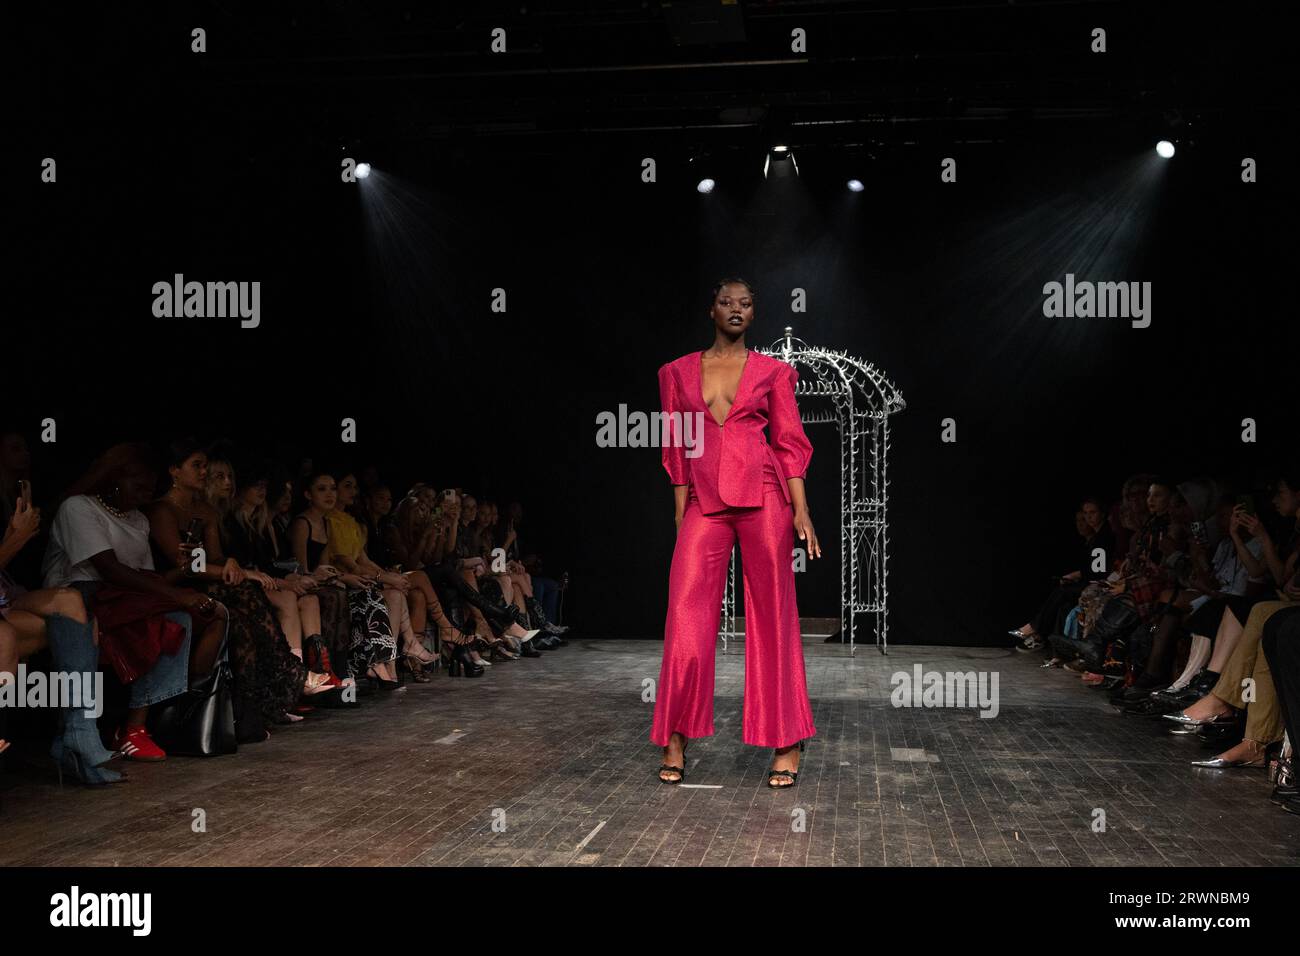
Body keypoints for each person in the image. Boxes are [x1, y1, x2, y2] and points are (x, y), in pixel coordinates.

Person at [652, 278, 819, 789]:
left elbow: (790, 444)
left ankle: (787, 740)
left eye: (745, 304)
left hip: (765, 496)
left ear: (753, 314)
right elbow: (677, 446)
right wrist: (682, 515)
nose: (735, 309)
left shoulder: (774, 372)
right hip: (705, 501)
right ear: (712, 310)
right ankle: (675, 735)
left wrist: (802, 510)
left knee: (772, 615)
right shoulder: (676, 372)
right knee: (685, 613)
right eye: (726, 302)